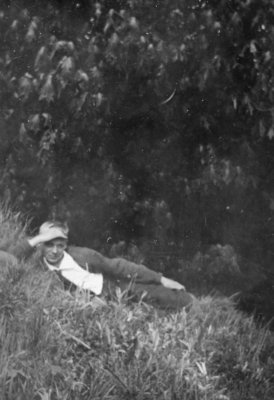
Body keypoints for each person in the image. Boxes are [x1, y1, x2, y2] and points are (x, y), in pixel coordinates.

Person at [6, 221, 194, 309]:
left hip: (115, 287)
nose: (54, 251)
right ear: (40, 244)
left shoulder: (82, 255)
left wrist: (161, 279)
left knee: (174, 299)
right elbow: (6, 259)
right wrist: (37, 238)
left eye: (60, 245)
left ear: (66, 244)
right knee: (146, 315)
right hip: (92, 303)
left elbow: (120, 267)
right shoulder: (37, 268)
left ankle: (195, 305)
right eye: (49, 244)